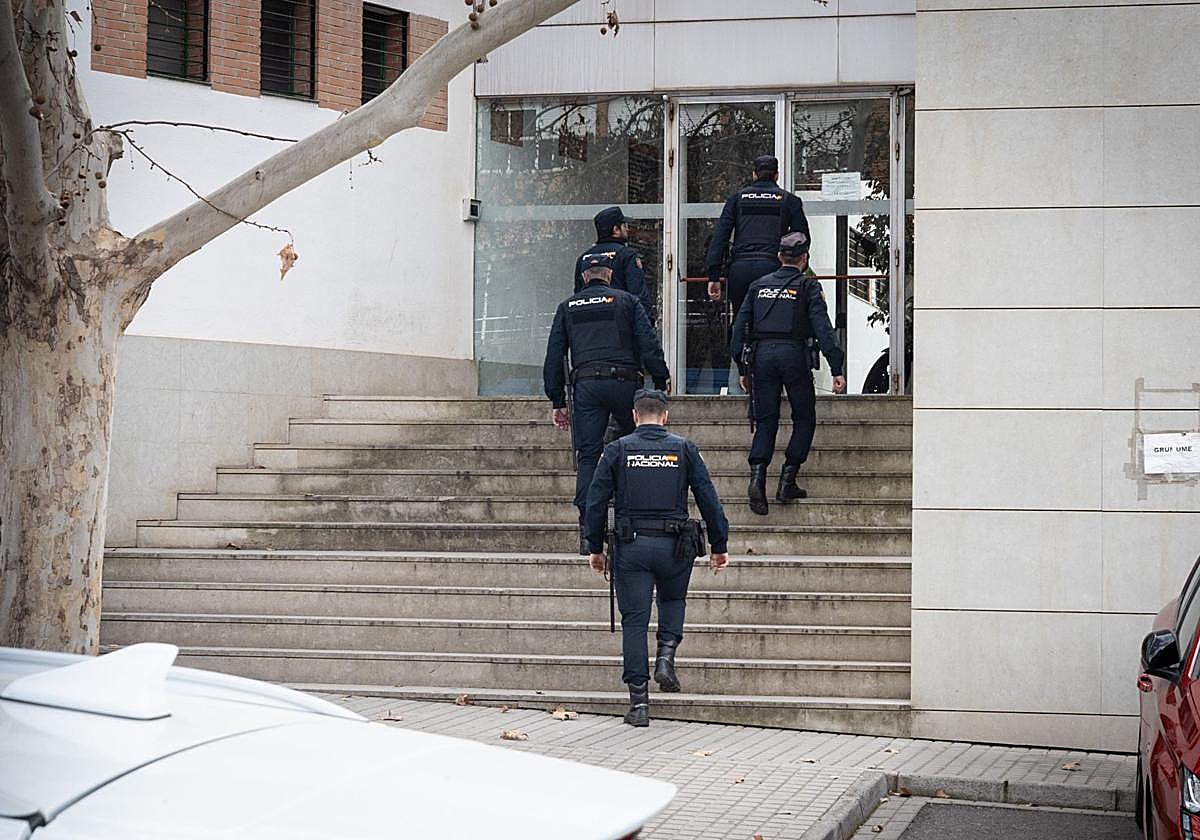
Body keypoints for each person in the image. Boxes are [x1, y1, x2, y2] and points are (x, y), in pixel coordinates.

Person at [583, 388, 730, 727]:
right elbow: (708, 497)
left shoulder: (617, 450)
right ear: (665, 416)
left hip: (631, 547)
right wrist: (719, 544)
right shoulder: (683, 449)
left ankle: (639, 704)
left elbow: (595, 501)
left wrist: (594, 547)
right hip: (676, 546)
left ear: (635, 416)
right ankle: (665, 656)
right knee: (673, 599)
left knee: (634, 621)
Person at [544, 254, 671, 555]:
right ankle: (633, 519)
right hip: (625, 383)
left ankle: (589, 534)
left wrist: (557, 400)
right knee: (634, 449)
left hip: (586, 386)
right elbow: (647, 341)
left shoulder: (568, 307)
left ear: (585, 277)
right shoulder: (626, 301)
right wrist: (660, 375)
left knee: (588, 457)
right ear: (609, 276)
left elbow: (554, 355)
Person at [729, 232, 846, 516]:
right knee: (804, 416)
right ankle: (787, 480)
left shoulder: (757, 286)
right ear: (804, 259)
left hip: (762, 358)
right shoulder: (807, 287)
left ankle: (757, 478)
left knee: (766, 419)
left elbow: (738, 331)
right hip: (794, 356)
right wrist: (837, 367)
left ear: (780, 257)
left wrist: (744, 368)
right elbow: (823, 329)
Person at [704, 155, 811, 392]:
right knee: (775, 323)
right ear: (776, 175)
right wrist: (797, 267)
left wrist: (714, 275)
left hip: (740, 270)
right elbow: (803, 238)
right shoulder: (789, 200)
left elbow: (720, 237)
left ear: (754, 174)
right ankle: (771, 375)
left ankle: (743, 373)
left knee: (742, 320)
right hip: (772, 267)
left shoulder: (737, 199)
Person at [575, 206, 653, 320]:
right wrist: (646, 327)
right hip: (620, 325)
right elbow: (639, 296)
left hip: (589, 328)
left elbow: (578, 297)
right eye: (624, 225)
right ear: (616, 229)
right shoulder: (627, 255)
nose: (627, 229)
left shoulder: (583, 258)